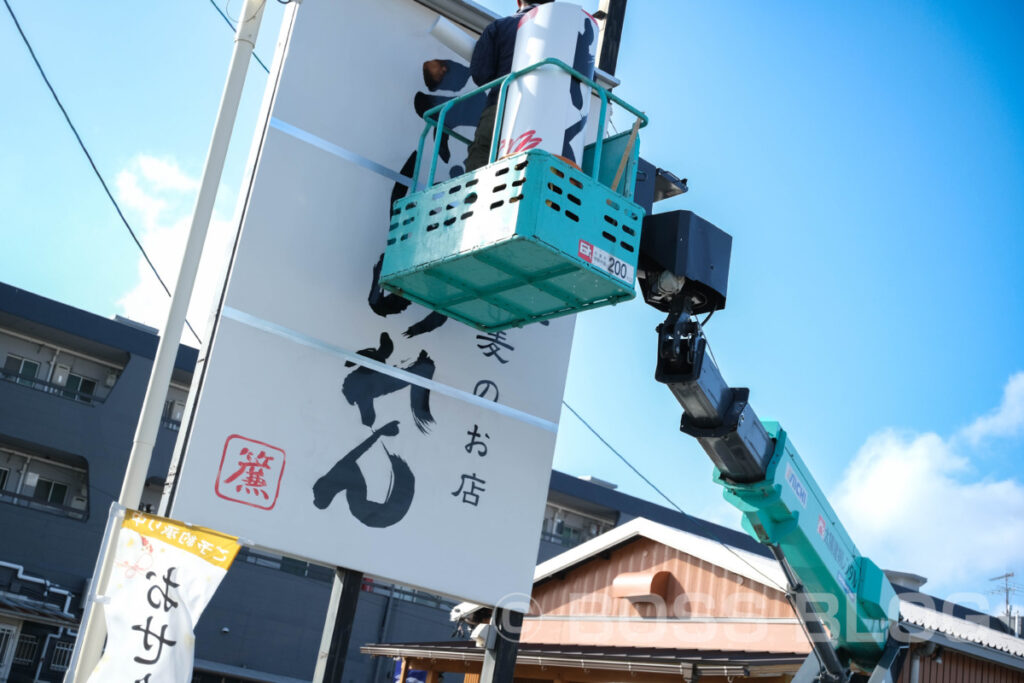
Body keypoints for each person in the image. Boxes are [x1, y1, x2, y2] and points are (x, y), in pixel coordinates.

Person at [464, 0, 555, 172]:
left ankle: (473, 197)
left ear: (519, 1)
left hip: (501, 109)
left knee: (483, 155)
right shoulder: (568, 34)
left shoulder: (500, 27)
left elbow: (480, 74)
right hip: (549, 121)